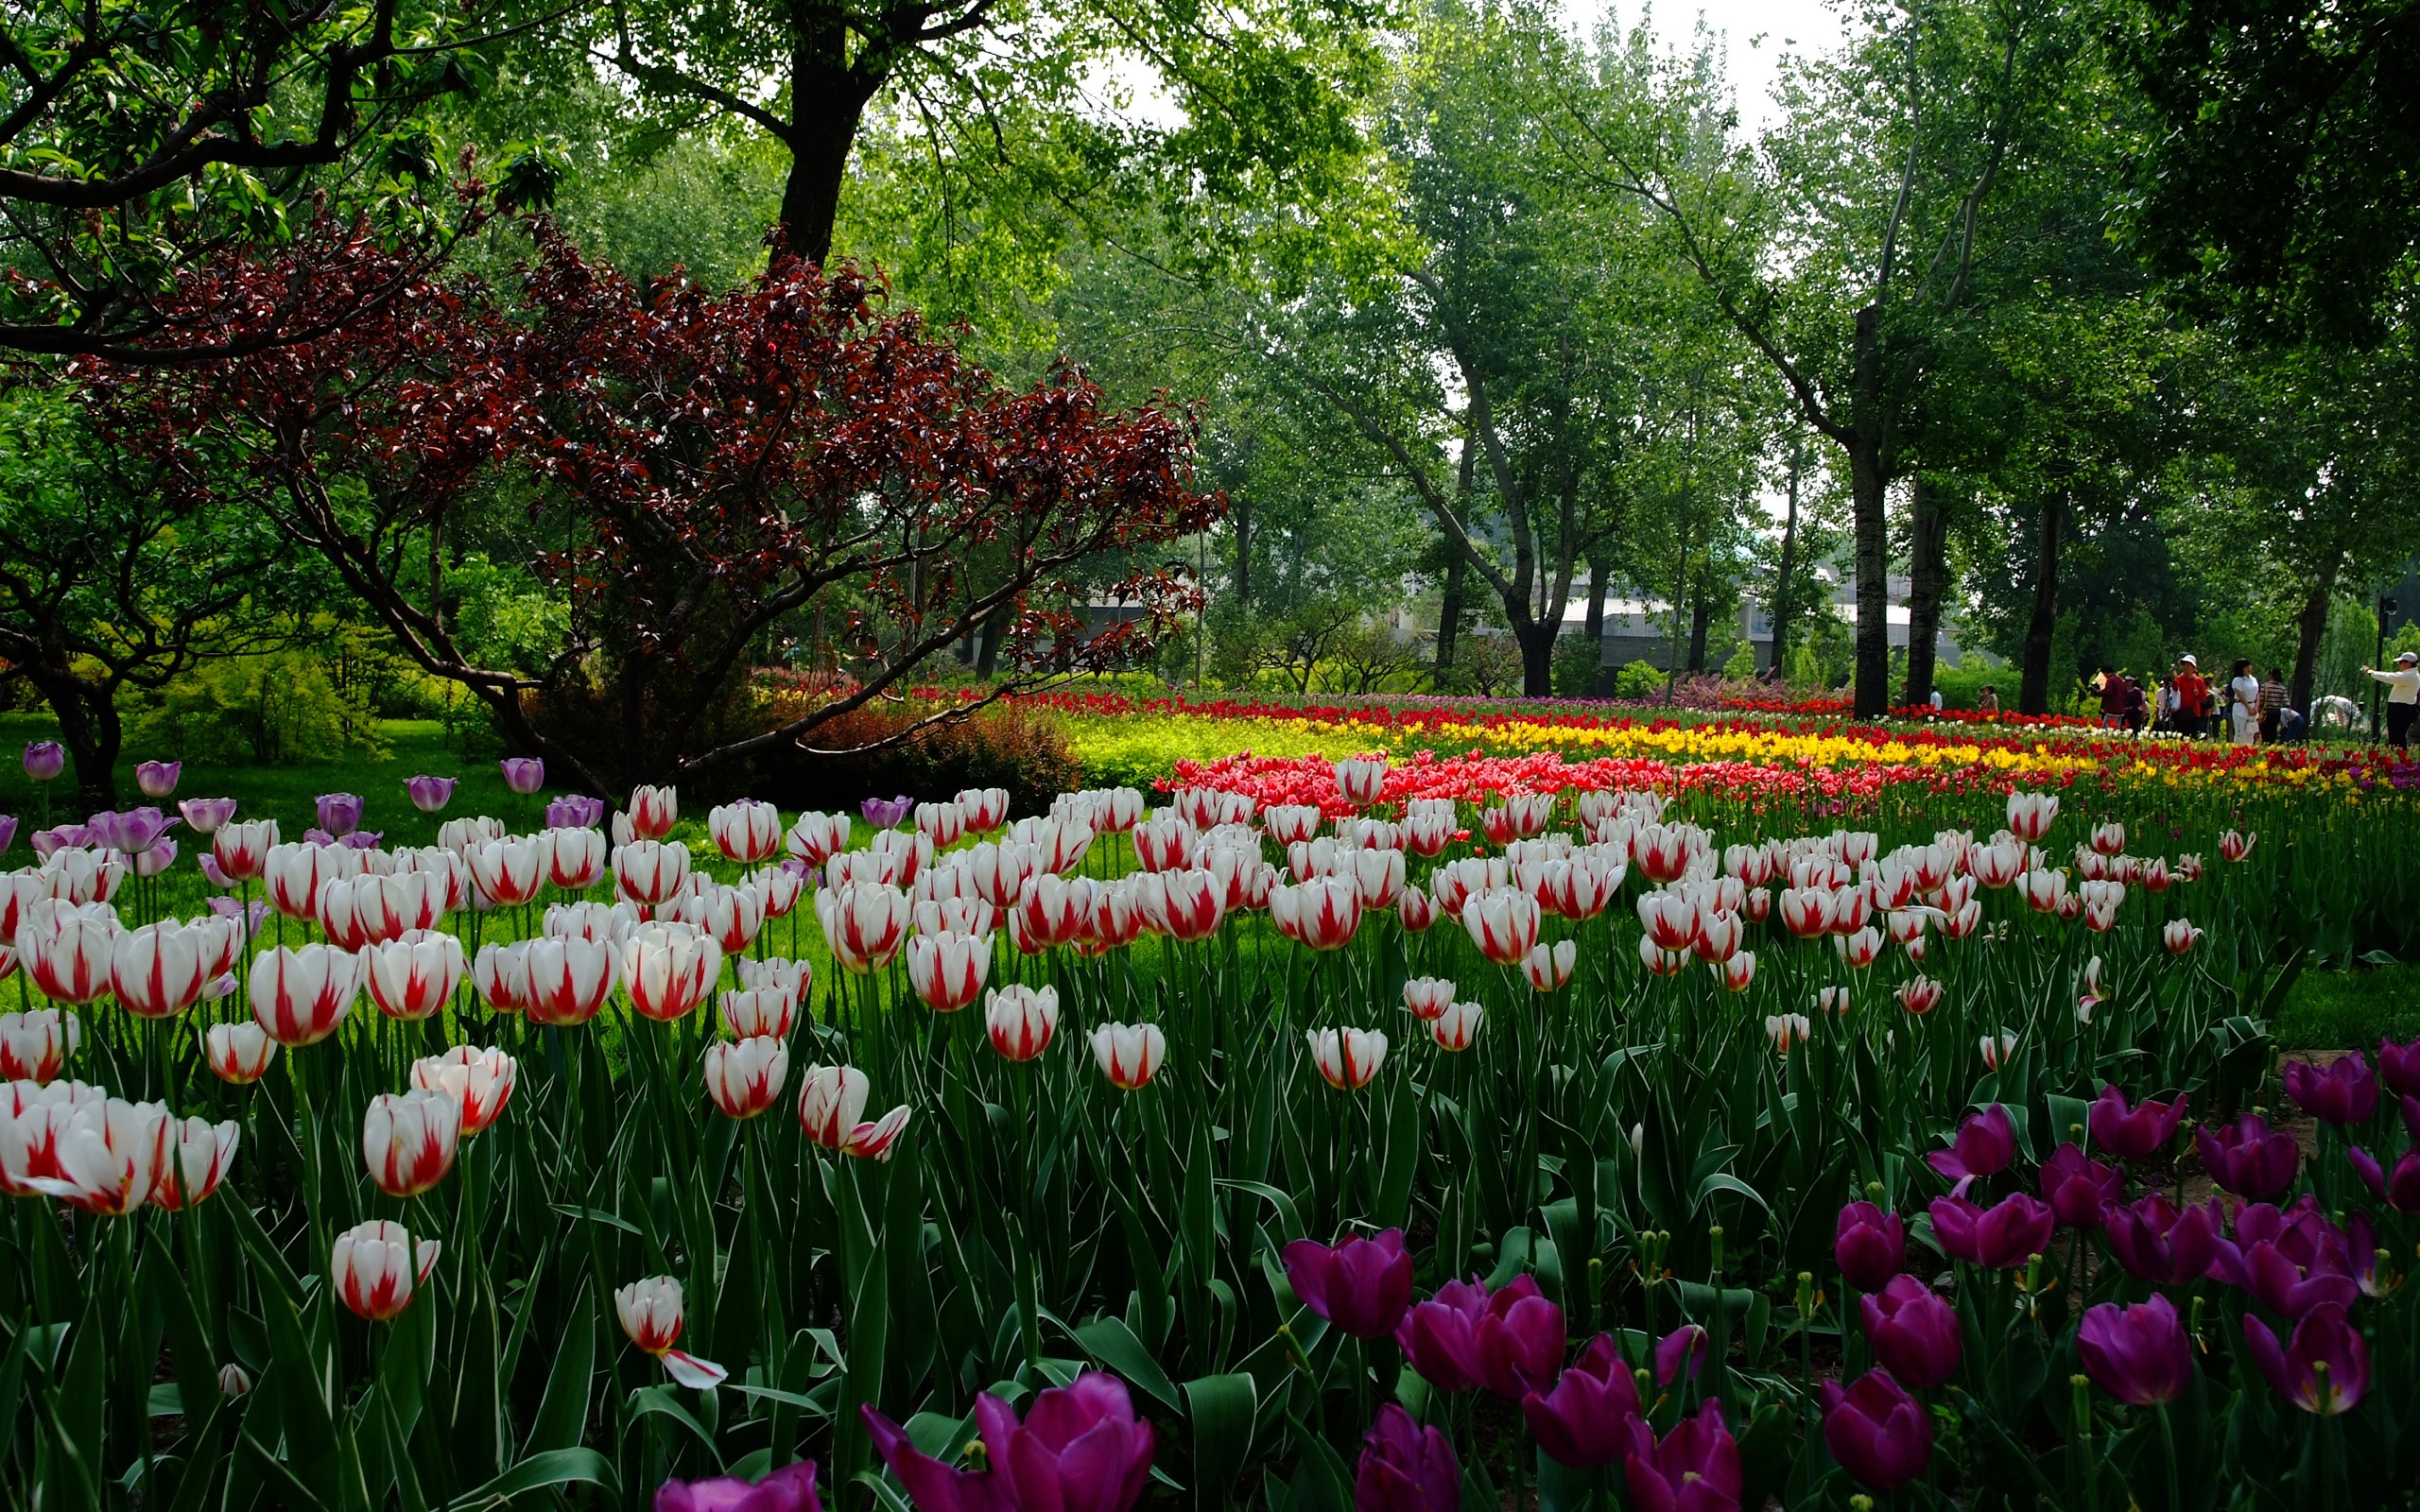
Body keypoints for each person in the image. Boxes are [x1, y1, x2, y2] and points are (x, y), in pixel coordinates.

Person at [2363, 649, 2420, 749]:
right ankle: (2398, 756)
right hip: (2401, 708)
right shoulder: (2410, 675)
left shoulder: (2409, 676)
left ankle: (2399, 758)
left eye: (2402, 662)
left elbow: (2388, 677)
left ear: (2410, 663)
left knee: (2397, 736)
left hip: (2400, 709)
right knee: (2396, 736)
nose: (2400, 664)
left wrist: (2370, 672)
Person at [2174, 655, 2210, 738]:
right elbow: (2174, 689)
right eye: (2184, 665)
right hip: (2179, 713)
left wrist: (2198, 695)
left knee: (2192, 737)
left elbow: (2204, 697)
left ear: (2194, 668)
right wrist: (2174, 680)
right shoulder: (2179, 679)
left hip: (2193, 713)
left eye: (2188, 665)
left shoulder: (2198, 681)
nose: (2185, 667)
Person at [2228, 659, 2261, 746]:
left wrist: (2256, 708)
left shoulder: (2253, 679)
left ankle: (2249, 751)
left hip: (2253, 706)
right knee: (2241, 734)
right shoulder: (2237, 680)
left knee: (2250, 733)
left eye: (2249, 666)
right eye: (2245, 667)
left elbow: (2257, 694)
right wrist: (2248, 708)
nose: (2248, 668)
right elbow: (2240, 695)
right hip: (2241, 707)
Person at [2259, 666, 2290, 743]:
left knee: (2265, 732)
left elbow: (2261, 700)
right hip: (2276, 713)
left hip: (2267, 713)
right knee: (2273, 732)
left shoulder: (2265, 686)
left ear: (2271, 675)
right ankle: (2272, 747)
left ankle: (2266, 747)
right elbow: (2286, 702)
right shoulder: (2282, 688)